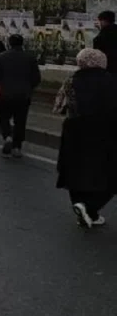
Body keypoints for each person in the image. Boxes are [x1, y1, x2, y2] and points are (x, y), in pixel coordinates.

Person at [53, 48, 117, 228]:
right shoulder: (111, 81)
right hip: (105, 130)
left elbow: (59, 107)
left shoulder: (71, 80)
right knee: (110, 172)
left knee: (74, 170)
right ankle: (91, 208)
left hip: (74, 130)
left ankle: (81, 206)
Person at [0, 34, 42, 158]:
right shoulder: (30, 58)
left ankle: (7, 136)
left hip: (5, 94)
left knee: (3, 116)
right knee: (20, 121)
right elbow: (36, 78)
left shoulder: (1, 57)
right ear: (22, 43)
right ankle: (17, 147)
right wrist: (29, 87)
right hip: (23, 95)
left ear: (9, 43)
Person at [92, 10, 117, 76]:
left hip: (108, 69)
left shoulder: (100, 38)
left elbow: (98, 56)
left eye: (100, 21)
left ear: (104, 21)